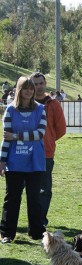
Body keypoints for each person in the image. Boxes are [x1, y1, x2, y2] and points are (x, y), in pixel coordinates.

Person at [0, 76, 47, 244]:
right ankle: (6, 233)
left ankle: (36, 232)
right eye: (26, 88)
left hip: (35, 161)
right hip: (15, 161)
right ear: (19, 90)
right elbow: (6, 138)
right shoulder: (10, 111)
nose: (29, 91)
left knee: (34, 198)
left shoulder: (41, 109)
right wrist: (2, 161)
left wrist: (17, 136)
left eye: (31, 88)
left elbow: (39, 134)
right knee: (12, 198)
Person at [31, 72, 66, 226]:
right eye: (35, 84)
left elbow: (61, 129)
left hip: (46, 153)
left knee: (44, 189)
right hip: (24, 152)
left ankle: (40, 220)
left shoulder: (53, 104)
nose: (38, 87)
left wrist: (49, 140)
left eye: (41, 83)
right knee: (18, 188)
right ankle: (13, 221)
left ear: (45, 84)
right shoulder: (25, 102)